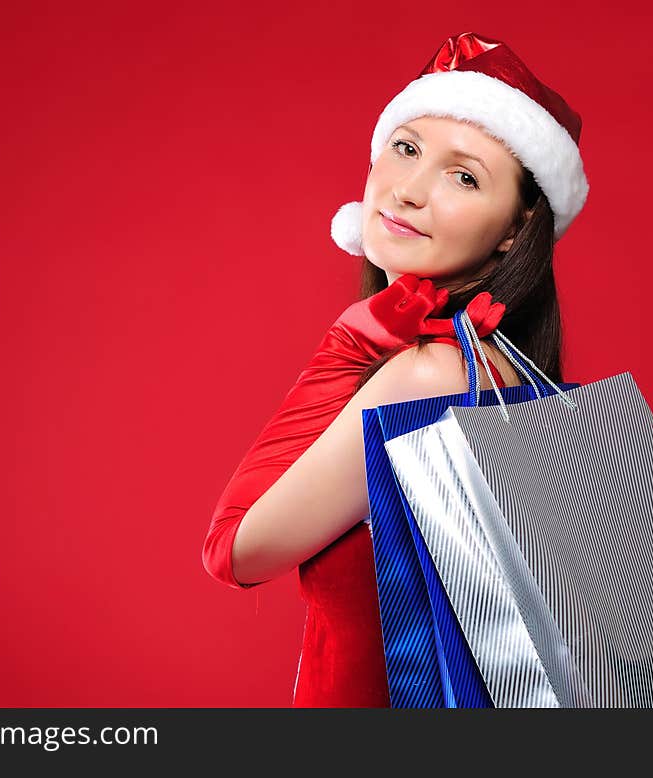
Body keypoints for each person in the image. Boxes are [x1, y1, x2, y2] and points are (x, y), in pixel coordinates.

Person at [202, 31, 589, 707]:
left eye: (463, 176)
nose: (408, 190)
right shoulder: (502, 371)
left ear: (514, 228)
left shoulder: (429, 373)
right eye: (406, 148)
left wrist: (346, 347)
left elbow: (234, 549)